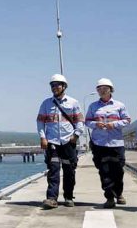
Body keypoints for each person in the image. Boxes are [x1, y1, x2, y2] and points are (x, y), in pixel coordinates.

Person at [37, 74, 84, 208]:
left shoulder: (73, 103)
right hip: (52, 142)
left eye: (57, 85)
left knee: (69, 170)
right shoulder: (46, 103)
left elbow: (80, 121)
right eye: (52, 85)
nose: (54, 87)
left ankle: (68, 196)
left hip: (68, 142)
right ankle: (51, 198)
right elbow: (40, 122)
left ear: (64, 86)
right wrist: (42, 137)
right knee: (53, 170)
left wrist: (76, 135)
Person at [85, 78, 131, 208]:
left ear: (111, 89)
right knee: (104, 171)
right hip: (99, 143)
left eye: (104, 88)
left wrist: (114, 124)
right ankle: (109, 197)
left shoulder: (119, 105)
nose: (101, 91)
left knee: (118, 171)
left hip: (116, 143)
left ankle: (119, 193)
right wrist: (95, 124)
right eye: (99, 89)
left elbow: (127, 120)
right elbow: (87, 121)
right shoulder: (93, 106)